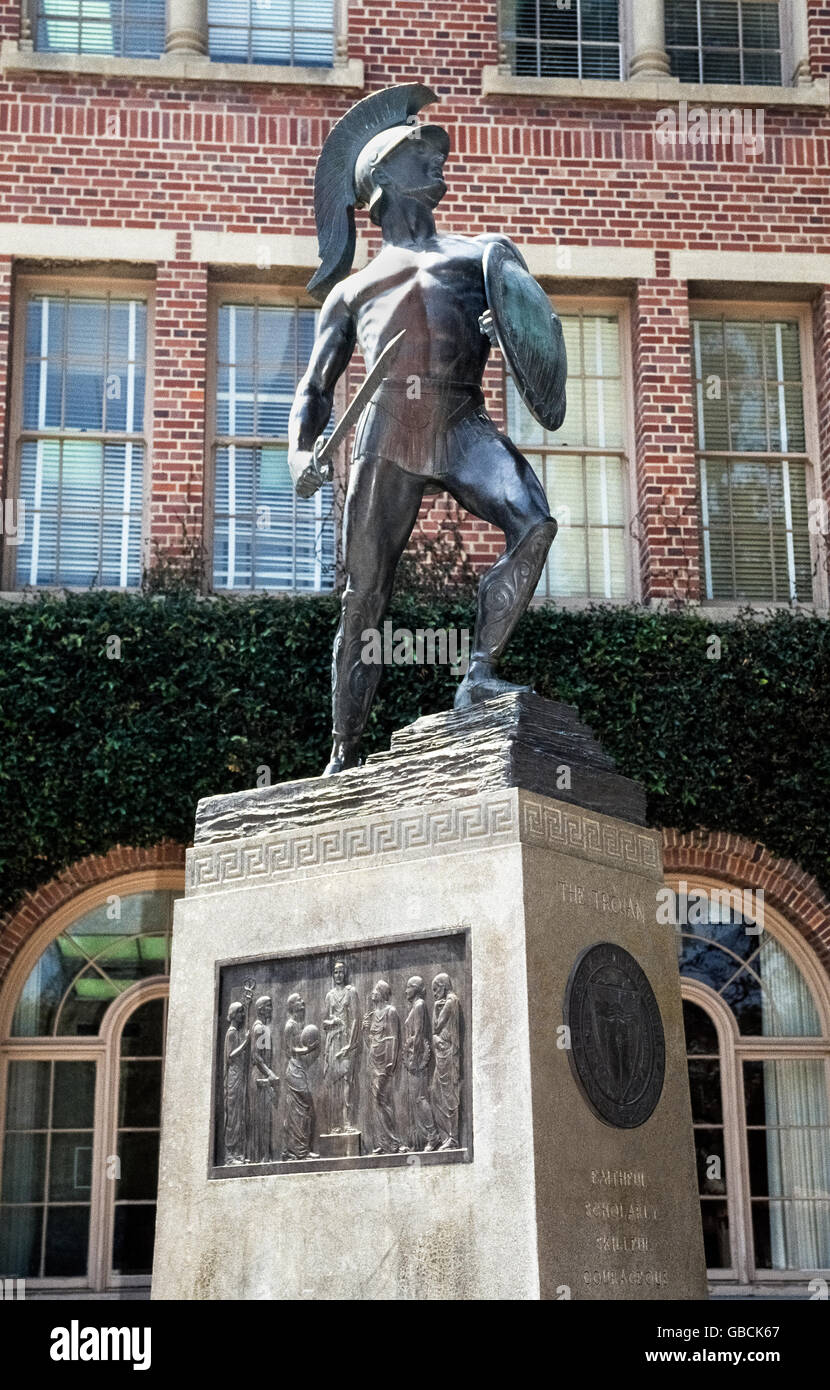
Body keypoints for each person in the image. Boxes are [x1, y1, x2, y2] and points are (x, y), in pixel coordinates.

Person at [288, 84, 562, 776]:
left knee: (534, 522)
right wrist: (298, 453)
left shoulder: (478, 259)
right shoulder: (353, 292)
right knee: (364, 594)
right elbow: (314, 389)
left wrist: (508, 332)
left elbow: (534, 335)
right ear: (382, 179)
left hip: (461, 419)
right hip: (387, 435)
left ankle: (478, 673)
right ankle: (344, 751)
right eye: (422, 153)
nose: (439, 162)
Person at [363, 980, 408, 1154]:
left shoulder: (391, 1012)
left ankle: (394, 1142)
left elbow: (393, 1037)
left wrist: (391, 1062)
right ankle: (383, 1143)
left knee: (382, 1100)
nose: (372, 993)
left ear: (382, 993)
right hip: (373, 1061)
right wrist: (365, 1031)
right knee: (377, 1102)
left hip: (385, 1063)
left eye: (376, 990)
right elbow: (370, 1042)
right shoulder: (373, 1014)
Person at [322, 960, 361, 1132]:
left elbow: (356, 1019)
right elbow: (324, 1022)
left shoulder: (350, 992)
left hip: (346, 1040)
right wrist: (332, 1021)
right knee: (334, 1082)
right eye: (336, 972)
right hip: (332, 1040)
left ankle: (347, 1122)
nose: (338, 975)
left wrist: (351, 1044)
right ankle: (335, 1124)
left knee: (347, 1080)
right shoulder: (329, 995)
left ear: (345, 973)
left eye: (341, 972)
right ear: (333, 975)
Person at [402, 976, 440, 1152]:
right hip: (413, 1058)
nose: (406, 990)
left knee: (420, 1098)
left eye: (409, 987)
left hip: (417, 1060)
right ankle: (419, 1141)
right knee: (414, 1100)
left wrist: (413, 1060)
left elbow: (418, 1035)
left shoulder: (419, 1006)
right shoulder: (416, 1006)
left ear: (416, 989)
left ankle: (433, 1136)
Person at [431, 973, 461, 1150]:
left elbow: (437, 1026)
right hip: (442, 1051)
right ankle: (446, 1135)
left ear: (444, 986)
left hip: (447, 1053)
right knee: (436, 1092)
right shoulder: (446, 1001)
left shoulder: (450, 1002)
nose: (434, 993)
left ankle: (454, 1137)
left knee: (449, 1094)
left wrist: (435, 1008)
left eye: (436, 989)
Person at [283, 1019, 321, 1161]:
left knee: (304, 1111)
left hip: (300, 1070)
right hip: (294, 1071)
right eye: (298, 1000)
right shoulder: (290, 1026)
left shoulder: (298, 1025)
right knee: (300, 1110)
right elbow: (289, 1050)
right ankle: (297, 1151)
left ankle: (302, 1149)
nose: (302, 1002)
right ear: (292, 1005)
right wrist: (308, 1049)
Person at [248, 995, 279, 1163]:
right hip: (260, 1077)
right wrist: (270, 1074)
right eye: (268, 1006)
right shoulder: (261, 1029)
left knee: (264, 1118)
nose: (271, 1009)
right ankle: (261, 1157)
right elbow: (256, 1056)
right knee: (261, 1119)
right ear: (260, 1009)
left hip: (262, 1075)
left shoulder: (262, 1028)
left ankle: (263, 1156)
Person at [223, 1001, 250, 1164]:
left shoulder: (236, 1032)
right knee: (233, 1117)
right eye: (240, 1012)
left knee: (239, 1115)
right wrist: (246, 1042)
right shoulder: (231, 1032)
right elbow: (231, 1056)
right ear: (233, 1014)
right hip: (233, 1078)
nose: (243, 1016)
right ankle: (229, 1156)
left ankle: (238, 1153)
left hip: (239, 1076)